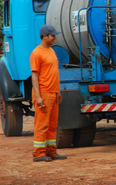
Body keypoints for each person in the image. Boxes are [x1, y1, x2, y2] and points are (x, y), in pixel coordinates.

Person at [30, 24, 67, 162]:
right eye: (52, 36)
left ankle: (51, 152)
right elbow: (34, 76)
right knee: (42, 125)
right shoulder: (36, 53)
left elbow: (54, 73)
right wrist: (38, 97)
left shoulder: (51, 51)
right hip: (44, 94)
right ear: (45, 36)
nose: (54, 38)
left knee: (52, 126)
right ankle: (39, 153)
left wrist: (58, 91)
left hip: (54, 93)